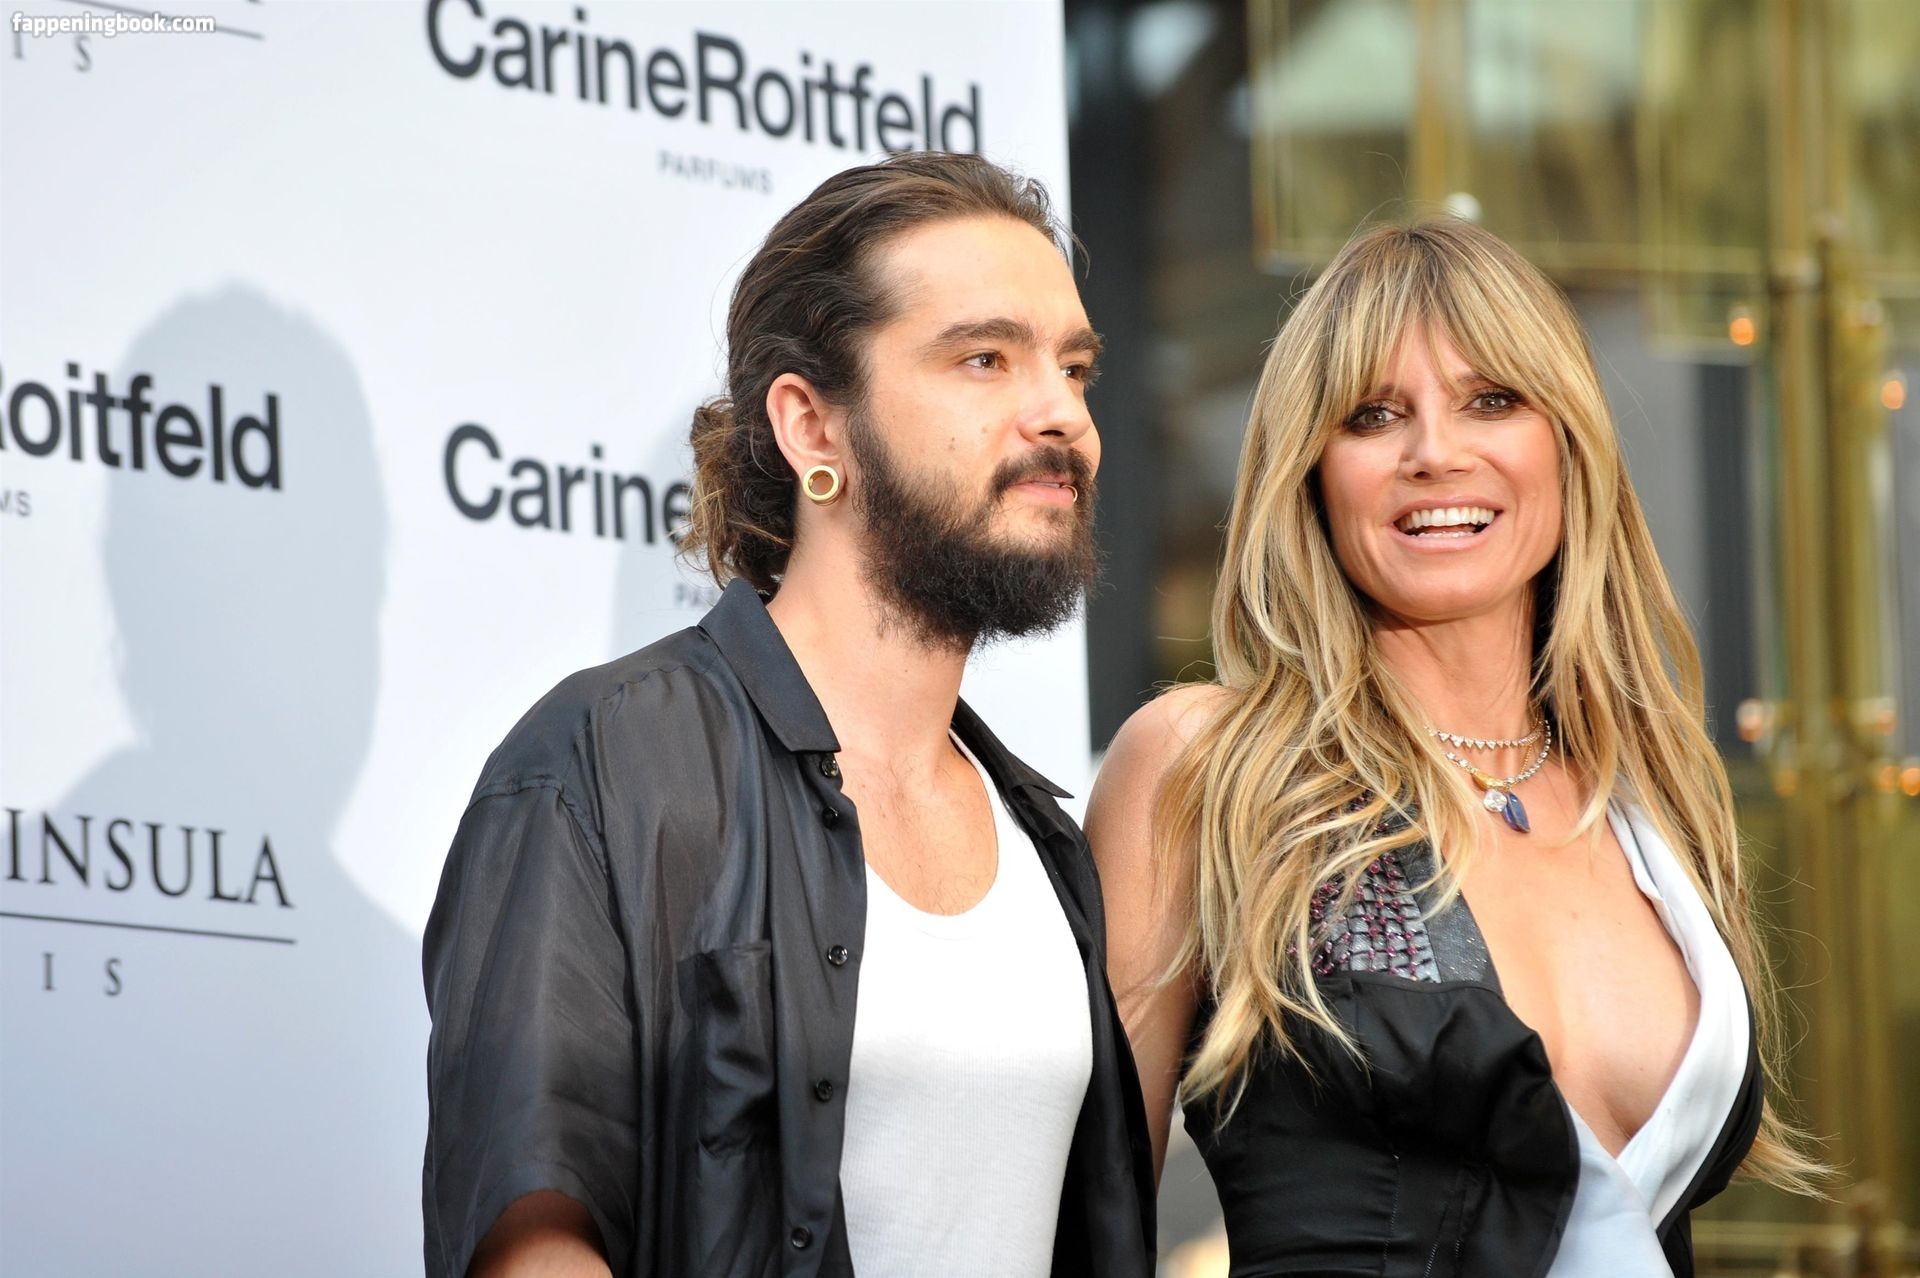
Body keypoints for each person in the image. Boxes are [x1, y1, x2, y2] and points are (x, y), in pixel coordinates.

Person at [420, 151, 1154, 1278]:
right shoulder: (602, 767)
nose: (1062, 414)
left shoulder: (1047, 842)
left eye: (1075, 368)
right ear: (813, 427)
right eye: (985, 358)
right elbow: (531, 1238)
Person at [1088, 219, 1821, 1277]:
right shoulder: (1208, 766)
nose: (1434, 452)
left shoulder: (1654, 804)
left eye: (1492, 401)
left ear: (1568, 444)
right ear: (1312, 472)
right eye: (1373, 415)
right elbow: (1093, 1213)